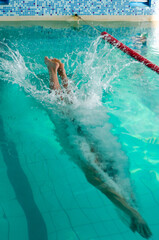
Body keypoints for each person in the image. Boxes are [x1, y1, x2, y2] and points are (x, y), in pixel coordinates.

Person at [44, 56, 152, 239]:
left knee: (73, 109)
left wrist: (132, 212)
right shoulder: (94, 175)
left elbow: (121, 193)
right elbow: (112, 194)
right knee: (60, 108)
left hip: (91, 135)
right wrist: (135, 214)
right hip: (81, 141)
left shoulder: (115, 167)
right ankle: (53, 71)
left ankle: (61, 71)